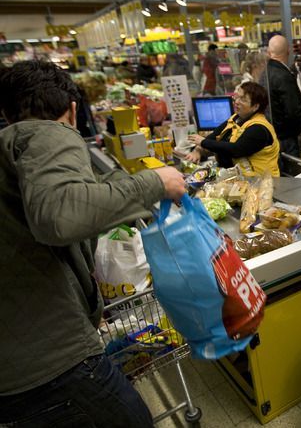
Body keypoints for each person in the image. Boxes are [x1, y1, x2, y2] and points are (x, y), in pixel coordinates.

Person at [0, 60, 186, 427]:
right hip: (54, 364)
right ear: (72, 110)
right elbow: (60, 216)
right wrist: (154, 183)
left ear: (6, 114)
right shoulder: (47, 132)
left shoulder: (9, 149)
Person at [186, 81, 280, 177]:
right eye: (236, 97)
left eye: (243, 99)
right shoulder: (236, 118)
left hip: (260, 182)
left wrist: (203, 142)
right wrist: (197, 151)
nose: (237, 102)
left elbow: (236, 150)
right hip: (237, 178)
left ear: (255, 106)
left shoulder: (259, 128)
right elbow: (212, 137)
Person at [261, 35, 301, 160]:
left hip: (270, 137)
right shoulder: (284, 76)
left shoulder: (264, 73)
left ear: (269, 52)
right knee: (293, 177)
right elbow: (293, 111)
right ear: (288, 50)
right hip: (286, 140)